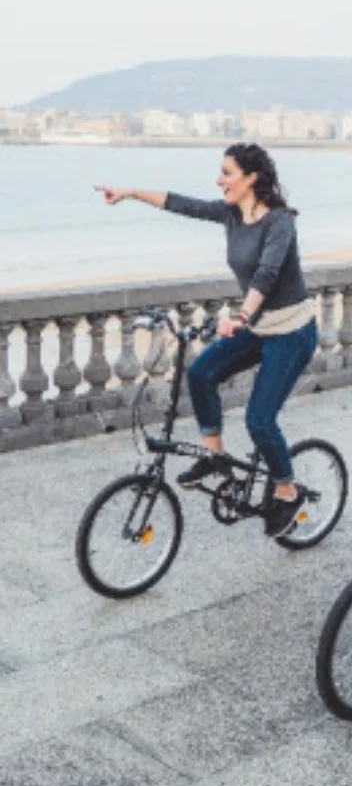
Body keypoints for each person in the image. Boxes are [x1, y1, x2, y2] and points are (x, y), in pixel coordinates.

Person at [95, 143, 318, 537]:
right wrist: (131, 192)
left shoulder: (280, 222)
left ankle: (288, 491)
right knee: (200, 373)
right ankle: (216, 459)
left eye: (227, 173)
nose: (219, 180)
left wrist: (242, 316)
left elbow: (266, 275)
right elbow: (182, 204)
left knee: (259, 420)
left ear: (251, 177)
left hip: (291, 333)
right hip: (257, 328)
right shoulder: (230, 214)